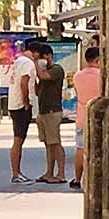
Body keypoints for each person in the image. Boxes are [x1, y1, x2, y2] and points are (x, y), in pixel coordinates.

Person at [35, 43, 68, 184]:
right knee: (48, 144)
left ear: (48, 56)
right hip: (43, 111)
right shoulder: (42, 72)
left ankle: (61, 174)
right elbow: (38, 90)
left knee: (55, 143)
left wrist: (35, 64)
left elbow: (44, 76)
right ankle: (49, 172)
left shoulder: (56, 69)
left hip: (52, 111)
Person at [7, 41, 39, 184]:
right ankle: (16, 173)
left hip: (13, 104)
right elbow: (24, 83)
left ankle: (16, 172)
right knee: (18, 140)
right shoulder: (28, 63)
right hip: (20, 105)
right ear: (35, 53)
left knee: (18, 139)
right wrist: (26, 102)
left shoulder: (18, 61)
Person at [72, 46, 102, 189]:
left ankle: (77, 179)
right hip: (98, 116)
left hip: (82, 117)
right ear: (98, 60)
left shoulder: (77, 76)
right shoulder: (101, 75)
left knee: (80, 148)